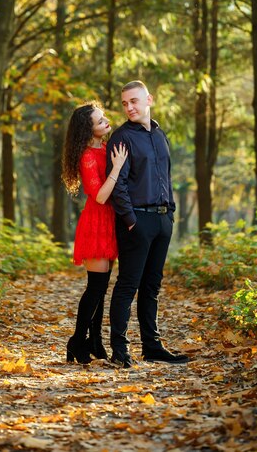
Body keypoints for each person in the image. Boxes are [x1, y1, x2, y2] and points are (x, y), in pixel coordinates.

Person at [106, 81, 189, 368]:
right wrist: (130, 220)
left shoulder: (160, 133)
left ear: (149, 99)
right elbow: (120, 186)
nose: (129, 107)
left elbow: (166, 174)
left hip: (163, 219)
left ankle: (152, 347)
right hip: (136, 221)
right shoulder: (121, 138)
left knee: (152, 286)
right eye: (125, 103)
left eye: (134, 101)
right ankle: (120, 349)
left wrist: (171, 213)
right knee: (128, 285)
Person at [62, 101, 128, 364]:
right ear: (87, 130)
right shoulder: (88, 157)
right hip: (97, 221)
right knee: (96, 287)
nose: (106, 122)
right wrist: (117, 168)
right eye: (100, 121)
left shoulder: (106, 147)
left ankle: (95, 342)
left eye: (104, 118)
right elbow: (100, 196)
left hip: (111, 221)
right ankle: (77, 341)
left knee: (101, 289)